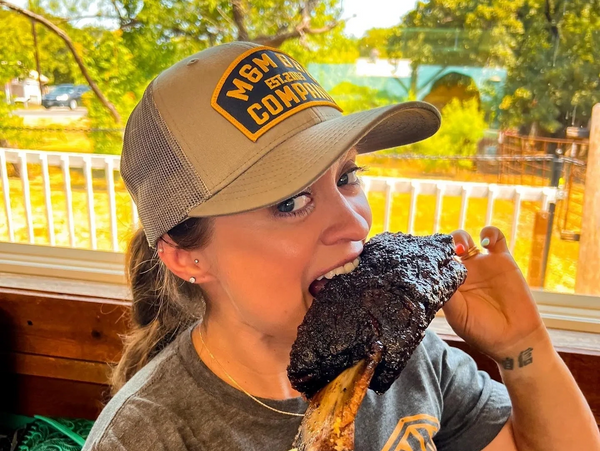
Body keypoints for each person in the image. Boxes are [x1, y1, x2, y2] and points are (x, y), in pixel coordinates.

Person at [83, 42, 599, 451]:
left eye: (348, 176)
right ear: (185, 254)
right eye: (290, 202)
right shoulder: (149, 436)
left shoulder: (405, 358)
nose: (353, 221)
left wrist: (522, 346)